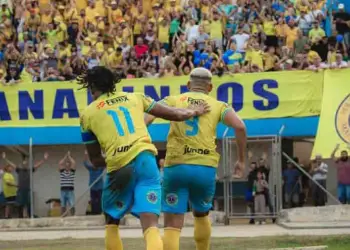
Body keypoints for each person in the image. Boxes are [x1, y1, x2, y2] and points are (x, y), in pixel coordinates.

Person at [78, 66, 209, 250]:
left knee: (112, 220)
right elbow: (176, 114)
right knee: (151, 223)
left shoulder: (87, 114)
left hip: (119, 163)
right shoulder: (135, 97)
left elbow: (95, 159)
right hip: (146, 160)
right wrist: (195, 111)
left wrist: (114, 159)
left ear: (92, 87)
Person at [145, 67, 247, 250]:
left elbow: (147, 118)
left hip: (176, 166)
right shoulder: (218, 105)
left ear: (188, 85)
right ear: (210, 88)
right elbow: (240, 126)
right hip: (204, 167)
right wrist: (241, 160)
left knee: (172, 222)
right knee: (201, 214)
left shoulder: (174, 100)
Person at [2, 152, 48, 218]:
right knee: (20, 204)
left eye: (26, 164)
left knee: (29, 203)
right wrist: (5, 159)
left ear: (27, 165)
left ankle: (30, 215)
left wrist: (44, 159)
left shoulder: (29, 170)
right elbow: (12, 164)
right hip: (20, 190)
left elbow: (37, 165)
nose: (25, 165)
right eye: (24, 164)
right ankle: (20, 216)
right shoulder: (19, 170)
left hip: (27, 189)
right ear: (21, 165)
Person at [84, 150, 104, 215]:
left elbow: (105, 163)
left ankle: (101, 212)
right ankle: (94, 212)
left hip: (100, 187)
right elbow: (85, 163)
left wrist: (102, 154)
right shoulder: (90, 168)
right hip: (92, 187)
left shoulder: (100, 168)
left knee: (100, 200)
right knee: (93, 201)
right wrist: (86, 155)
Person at [59, 151, 76, 216]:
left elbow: (74, 163)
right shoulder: (62, 171)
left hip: (70, 191)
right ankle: (63, 217)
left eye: (68, 165)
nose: (67, 166)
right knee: (63, 205)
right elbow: (60, 163)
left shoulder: (72, 172)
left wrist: (69, 156)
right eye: (66, 165)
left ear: (70, 166)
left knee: (72, 204)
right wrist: (65, 156)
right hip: (63, 190)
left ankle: (73, 216)